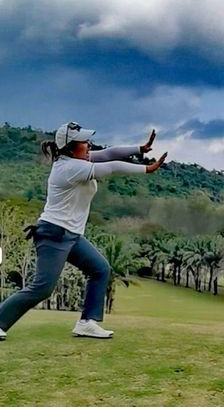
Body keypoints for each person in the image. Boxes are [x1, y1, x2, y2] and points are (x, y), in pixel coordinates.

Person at [0, 122, 167, 341]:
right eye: (83, 142)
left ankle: (87, 323)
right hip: (53, 233)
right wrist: (147, 169)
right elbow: (112, 167)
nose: (88, 144)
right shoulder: (70, 168)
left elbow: (109, 153)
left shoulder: (79, 158)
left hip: (71, 235)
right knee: (42, 288)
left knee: (100, 269)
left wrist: (140, 149)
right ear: (70, 147)